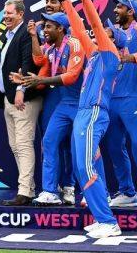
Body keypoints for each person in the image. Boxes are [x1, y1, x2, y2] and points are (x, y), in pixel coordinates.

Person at [57, 0, 122, 238]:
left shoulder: (110, 55)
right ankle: (101, 216)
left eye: (106, 32)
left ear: (113, 39)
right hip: (84, 113)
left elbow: (92, 23)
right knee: (83, 166)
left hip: (94, 112)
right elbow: (80, 29)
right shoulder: (94, 54)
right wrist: (65, 1)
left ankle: (108, 222)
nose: (99, 33)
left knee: (85, 167)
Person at [13, 11, 85, 207]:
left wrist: (41, 80)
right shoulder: (51, 49)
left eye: (48, 27)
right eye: (44, 26)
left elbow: (72, 77)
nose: (44, 30)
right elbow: (38, 60)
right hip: (63, 104)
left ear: (60, 28)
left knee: (80, 148)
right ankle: (50, 191)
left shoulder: (74, 44)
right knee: (49, 141)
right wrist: (26, 80)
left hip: (81, 104)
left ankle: (89, 191)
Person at [101, 0, 137, 209]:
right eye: (116, 6)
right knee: (114, 146)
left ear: (131, 11)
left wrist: (129, 58)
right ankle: (127, 192)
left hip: (133, 96)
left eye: (120, 7)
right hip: (110, 98)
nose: (116, 10)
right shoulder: (112, 31)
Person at [0, 0, 42, 206]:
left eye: (9, 13)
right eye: (4, 13)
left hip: (23, 99)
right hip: (9, 98)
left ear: (20, 14)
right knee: (15, 145)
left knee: (23, 144)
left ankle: (24, 192)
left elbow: (28, 63)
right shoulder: (9, 35)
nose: (5, 16)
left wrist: (21, 89)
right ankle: (28, 189)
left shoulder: (25, 34)